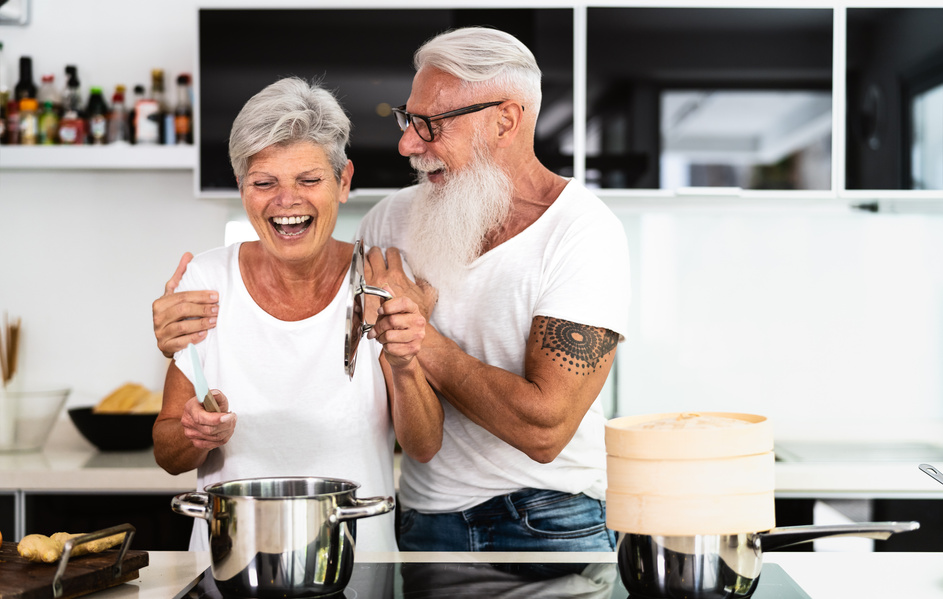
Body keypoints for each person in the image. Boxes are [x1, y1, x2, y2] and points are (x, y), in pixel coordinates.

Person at [153, 27, 631, 552]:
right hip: (424, 517)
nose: (406, 143)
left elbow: (546, 431)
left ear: (505, 120)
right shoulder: (390, 225)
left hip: (547, 516)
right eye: (410, 119)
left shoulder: (583, 232)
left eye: (430, 124)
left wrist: (418, 335)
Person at [152, 77, 442, 553]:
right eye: (264, 183)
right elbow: (168, 454)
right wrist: (195, 432)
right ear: (242, 188)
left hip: (355, 563)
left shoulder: (379, 278)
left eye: (308, 180)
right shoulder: (206, 281)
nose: (287, 202)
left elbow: (424, 446)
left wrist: (408, 360)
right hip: (229, 567)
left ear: (343, 181)